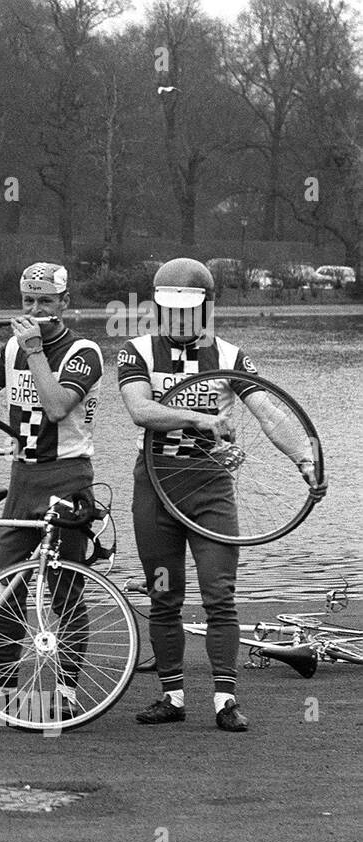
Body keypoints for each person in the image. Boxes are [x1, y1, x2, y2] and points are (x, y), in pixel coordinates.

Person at [117, 257, 325, 732]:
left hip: (210, 490)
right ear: (157, 307)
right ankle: (171, 696)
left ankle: (225, 701)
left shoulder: (230, 356)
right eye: (169, 310)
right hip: (155, 486)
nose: (178, 320)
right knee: (164, 595)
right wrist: (200, 419)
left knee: (219, 596)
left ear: (207, 308)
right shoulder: (137, 352)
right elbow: (139, 409)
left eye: (188, 310)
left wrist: (305, 461)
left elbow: (270, 414)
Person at [0, 262, 103, 720]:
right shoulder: (16, 348)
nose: (35, 309)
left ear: (63, 303)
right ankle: (1, 686)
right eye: (27, 302)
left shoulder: (85, 351)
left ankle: (66, 691)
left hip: (68, 476)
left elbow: (59, 406)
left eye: (44, 302)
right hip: (22, 476)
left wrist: (35, 350)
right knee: (7, 587)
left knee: (64, 592)